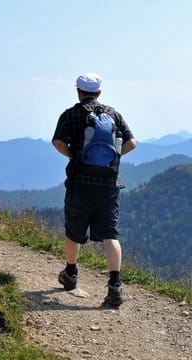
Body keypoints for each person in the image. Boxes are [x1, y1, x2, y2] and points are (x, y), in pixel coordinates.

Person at [52, 72, 137, 307]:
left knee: (74, 228)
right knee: (110, 234)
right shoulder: (113, 114)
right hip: (109, 184)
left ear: (78, 92)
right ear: (99, 92)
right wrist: (114, 159)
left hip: (80, 183)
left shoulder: (71, 114)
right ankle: (115, 286)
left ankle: (71, 273)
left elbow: (58, 142)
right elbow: (131, 142)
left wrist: (74, 157)